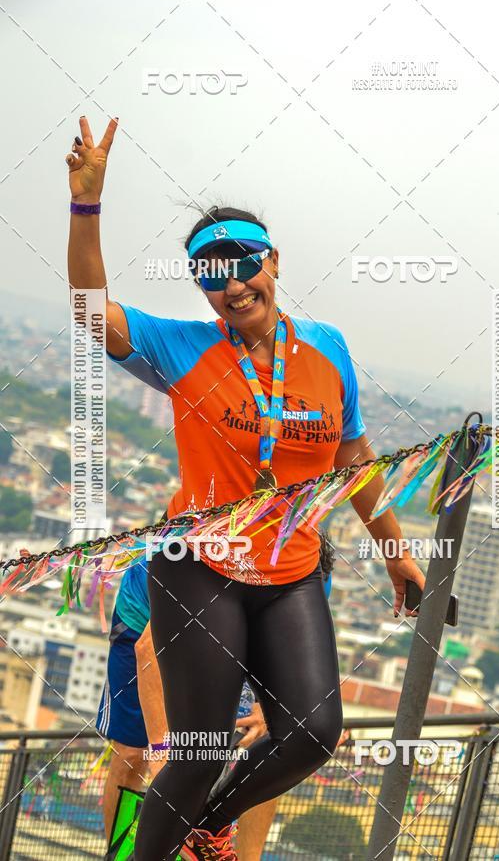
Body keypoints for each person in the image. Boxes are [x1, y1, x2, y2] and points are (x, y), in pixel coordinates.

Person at [66, 116, 426, 861]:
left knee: (314, 732)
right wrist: (87, 207)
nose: (231, 284)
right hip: (198, 561)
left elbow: (353, 458)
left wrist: (395, 552)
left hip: (289, 567)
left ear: (273, 262)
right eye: (210, 271)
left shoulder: (327, 351)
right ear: (198, 283)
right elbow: (87, 313)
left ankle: (211, 821)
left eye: (245, 264)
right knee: (193, 750)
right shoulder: (183, 347)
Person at [97, 533, 333, 859]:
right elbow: (148, 651)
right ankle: (121, 853)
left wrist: (268, 709)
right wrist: (164, 753)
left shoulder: (309, 580)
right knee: (133, 753)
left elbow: (290, 661)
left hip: (235, 623)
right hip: (147, 618)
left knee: (259, 745)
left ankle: (233, 851)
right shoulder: (219, 571)